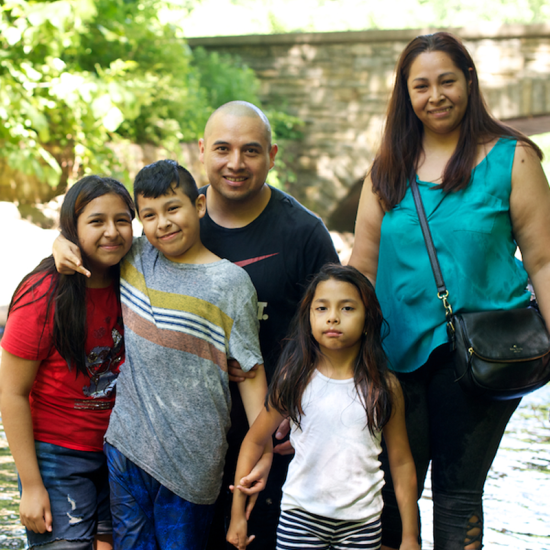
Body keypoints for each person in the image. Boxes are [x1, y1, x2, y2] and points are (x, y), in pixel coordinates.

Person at [349, 31, 550, 550]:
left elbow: (544, 261)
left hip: (483, 356)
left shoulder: (515, 159)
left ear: (468, 81)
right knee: (392, 492)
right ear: (406, 94)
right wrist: (345, 355)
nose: (435, 95)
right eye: (421, 86)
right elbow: (364, 268)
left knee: (459, 497)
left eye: (446, 81)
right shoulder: (386, 170)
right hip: (393, 358)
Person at [53, 160, 268, 549]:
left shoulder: (231, 283)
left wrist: (264, 444)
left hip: (193, 461)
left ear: (199, 206)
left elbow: (251, 372)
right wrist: (59, 242)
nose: (162, 224)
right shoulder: (134, 257)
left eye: (173, 209)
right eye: (149, 215)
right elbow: (90, 240)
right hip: (126, 449)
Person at [197, 101, 341, 549]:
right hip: (193, 429)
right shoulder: (180, 222)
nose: (235, 164)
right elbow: (114, 252)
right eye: (223, 149)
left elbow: (340, 337)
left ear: (273, 155)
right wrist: (64, 243)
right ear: (201, 150)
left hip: (276, 430)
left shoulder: (303, 232)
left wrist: (305, 417)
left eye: (251, 151)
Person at [227, 264, 419, 550]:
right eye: (322, 308)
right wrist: (237, 516)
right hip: (299, 518)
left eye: (347, 308)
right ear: (308, 317)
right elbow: (254, 441)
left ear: (368, 319)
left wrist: (409, 537)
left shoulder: (383, 387)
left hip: (362, 523)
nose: (332, 318)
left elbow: (402, 463)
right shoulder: (295, 379)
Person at [0, 176, 135, 550]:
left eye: (122, 220)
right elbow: (10, 392)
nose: (112, 232)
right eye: (96, 222)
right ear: (72, 227)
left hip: (122, 451)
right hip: (58, 453)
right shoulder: (43, 293)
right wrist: (30, 485)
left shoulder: (137, 276)